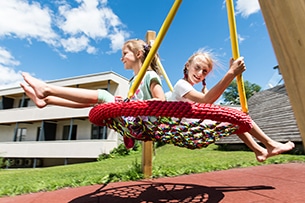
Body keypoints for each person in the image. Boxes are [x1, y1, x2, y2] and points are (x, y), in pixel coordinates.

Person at [20, 39, 166, 148]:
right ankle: (47, 100)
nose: (121, 58)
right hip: (135, 121)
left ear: (138, 54)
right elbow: (138, 100)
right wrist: (126, 102)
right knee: (98, 101)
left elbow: (161, 100)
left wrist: (130, 105)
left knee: (102, 95)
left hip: (145, 123)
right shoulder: (133, 81)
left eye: (124, 53)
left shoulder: (149, 75)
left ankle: (47, 89)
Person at [168, 49, 295, 162]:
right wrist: (231, 73)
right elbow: (206, 100)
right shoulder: (181, 84)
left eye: (205, 71)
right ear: (187, 65)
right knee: (236, 115)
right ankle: (270, 144)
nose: (200, 73)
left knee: (235, 117)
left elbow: (206, 102)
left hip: (191, 127)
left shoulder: (189, 88)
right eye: (197, 68)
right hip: (186, 130)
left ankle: (259, 151)